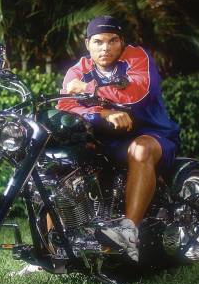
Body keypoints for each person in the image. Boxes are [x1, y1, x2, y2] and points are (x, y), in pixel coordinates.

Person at [57, 16, 180, 262]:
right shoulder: (78, 69)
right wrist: (102, 112)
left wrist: (87, 89)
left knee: (140, 149)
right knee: (63, 162)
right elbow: (65, 105)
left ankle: (128, 233)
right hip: (106, 138)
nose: (106, 48)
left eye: (113, 41)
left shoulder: (136, 57)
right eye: (98, 42)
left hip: (151, 133)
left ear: (122, 42)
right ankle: (54, 245)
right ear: (87, 44)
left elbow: (137, 93)